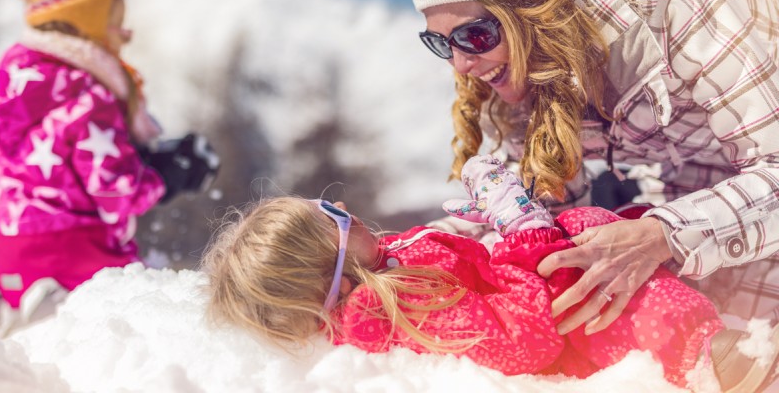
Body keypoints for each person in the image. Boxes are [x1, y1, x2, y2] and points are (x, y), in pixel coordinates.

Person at [410, 0, 779, 337]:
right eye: (439, 43)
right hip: (708, 191)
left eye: (475, 36)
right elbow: (522, 205)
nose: (462, 63)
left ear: (532, 13)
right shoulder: (521, 69)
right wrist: (403, 253)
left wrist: (659, 235)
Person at [203, 155, 779, 391]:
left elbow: (460, 263)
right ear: (337, 275)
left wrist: (483, 226)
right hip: (573, 328)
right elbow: (524, 339)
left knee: (589, 227)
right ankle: (709, 358)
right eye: (330, 217)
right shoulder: (402, 311)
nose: (343, 207)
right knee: (598, 278)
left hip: (547, 291)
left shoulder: (389, 266)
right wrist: (523, 231)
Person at [0, 0, 217, 332]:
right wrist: (169, 175)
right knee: (142, 304)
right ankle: (49, 314)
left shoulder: (14, 85)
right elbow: (117, 193)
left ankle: (11, 301)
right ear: (83, 23)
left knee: (26, 288)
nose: (126, 34)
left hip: (9, 246)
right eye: (115, 21)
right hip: (75, 253)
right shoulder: (89, 96)